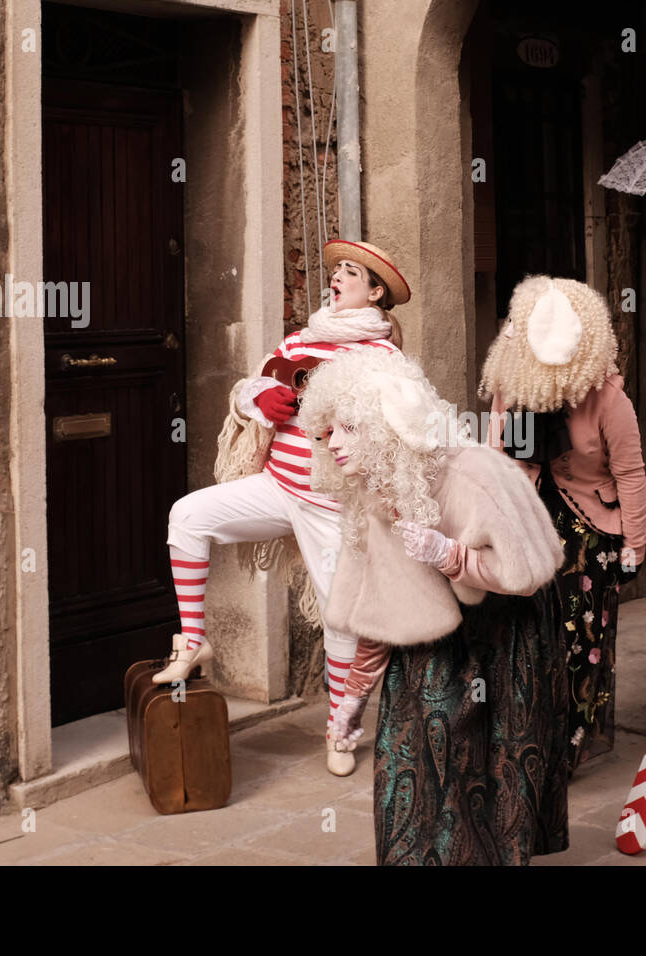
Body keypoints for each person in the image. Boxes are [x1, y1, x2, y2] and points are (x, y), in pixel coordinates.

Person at [299, 348, 569, 865]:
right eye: (326, 431)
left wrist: (452, 556)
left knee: (487, 771)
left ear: (385, 427)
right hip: (431, 636)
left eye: (348, 428)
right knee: (409, 757)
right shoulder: (369, 492)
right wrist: (352, 694)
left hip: (505, 631)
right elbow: (378, 602)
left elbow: (525, 575)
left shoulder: (470, 474)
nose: (332, 444)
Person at [156, 238, 410, 778]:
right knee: (188, 516)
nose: (336, 277)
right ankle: (193, 642)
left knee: (340, 618)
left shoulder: (382, 356)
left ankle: (341, 730)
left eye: (350, 272)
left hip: (331, 506)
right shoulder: (302, 337)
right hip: (277, 488)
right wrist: (258, 399)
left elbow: (402, 428)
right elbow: (254, 385)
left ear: (374, 291)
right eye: (336, 269)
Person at [478, 275, 646, 773]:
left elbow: (631, 473)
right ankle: (522, 733)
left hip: (588, 534)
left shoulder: (608, 397)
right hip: (529, 521)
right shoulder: (514, 388)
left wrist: (634, 544)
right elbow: (495, 456)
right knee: (522, 635)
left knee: (579, 640)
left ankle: (565, 745)